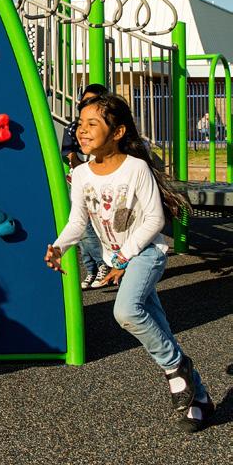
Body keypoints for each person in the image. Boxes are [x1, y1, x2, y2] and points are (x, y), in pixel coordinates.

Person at [45, 92, 214, 432]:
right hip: (119, 257)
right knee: (159, 329)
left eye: (93, 123)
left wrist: (123, 258)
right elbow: (78, 221)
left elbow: (154, 220)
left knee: (126, 311)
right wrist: (60, 246)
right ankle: (199, 397)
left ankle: (174, 367)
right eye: (80, 123)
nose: (82, 130)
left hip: (146, 253)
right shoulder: (81, 174)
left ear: (118, 131)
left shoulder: (136, 168)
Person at [61, 83, 109, 290]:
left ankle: (104, 263)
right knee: (82, 229)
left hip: (101, 184)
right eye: (84, 101)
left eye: (92, 101)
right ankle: (92, 269)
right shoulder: (74, 128)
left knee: (92, 228)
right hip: (80, 181)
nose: (86, 104)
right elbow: (69, 154)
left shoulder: (106, 128)